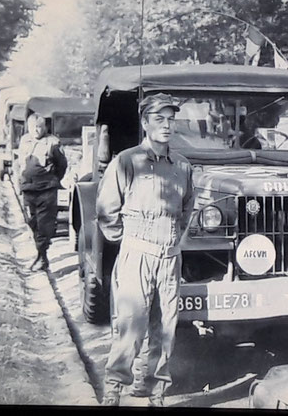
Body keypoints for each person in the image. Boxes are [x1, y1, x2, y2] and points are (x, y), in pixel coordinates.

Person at [96, 93, 195, 406]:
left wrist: (173, 241)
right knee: (131, 328)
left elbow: (187, 209)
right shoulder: (127, 161)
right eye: (159, 119)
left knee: (165, 329)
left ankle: (153, 388)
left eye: (170, 119)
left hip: (169, 258)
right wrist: (129, 241)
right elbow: (107, 210)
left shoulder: (182, 166)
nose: (166, 126)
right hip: (137, 254)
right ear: (145, 123)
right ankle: (113, 390)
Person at [19, 112, 68, 271]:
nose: (36, 130)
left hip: (46, 190)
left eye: (39, 127)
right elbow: (21, 163)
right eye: (33, 127)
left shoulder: (53, 143)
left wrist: (53, 180)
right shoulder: (24, 140)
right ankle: (42, 255)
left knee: (44, 224)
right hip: (28, 189)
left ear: (45, 127)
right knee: (32, 222)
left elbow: (62, 165)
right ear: (29, 127)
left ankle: (41, 256)